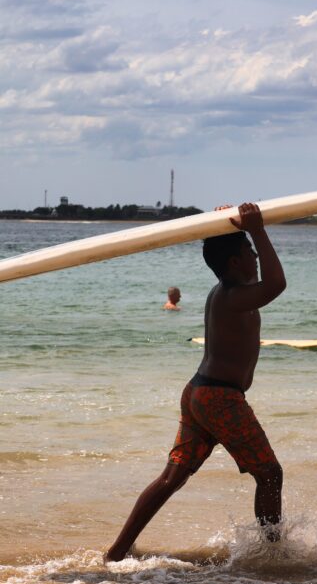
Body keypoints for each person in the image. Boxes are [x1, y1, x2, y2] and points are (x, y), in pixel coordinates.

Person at [105, 202, 286, 562]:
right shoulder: (233, 296)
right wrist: (258, 230)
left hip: (201, 394)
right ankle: (274, 557)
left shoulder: (231, 291)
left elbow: (260, 276)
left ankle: (117, 553)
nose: (255, 257)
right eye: (250, 252)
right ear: (235, 263)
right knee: (269, 473)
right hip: (219, 398)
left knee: (173, 477)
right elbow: (277, 283)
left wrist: (221, 225)